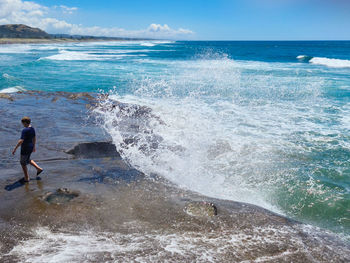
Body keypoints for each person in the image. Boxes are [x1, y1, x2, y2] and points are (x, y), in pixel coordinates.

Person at [12, 117, 43, 182]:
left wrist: (15, 149)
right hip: (30, 147)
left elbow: (21, 141)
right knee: (27, 159)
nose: (22, 125)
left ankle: (26, 178)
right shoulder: (32, 129)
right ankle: (38, 169)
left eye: (23, 123)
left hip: (25, 148)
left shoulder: (25, 130)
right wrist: (34, 146)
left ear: (25, 123)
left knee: (23, 163)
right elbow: (34, 138)